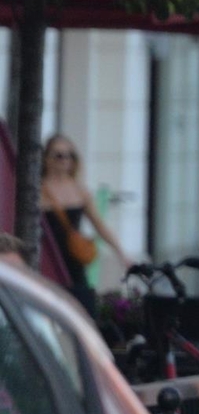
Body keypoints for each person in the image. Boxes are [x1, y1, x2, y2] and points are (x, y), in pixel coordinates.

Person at [37, 134, 129, 317]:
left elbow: (100, 226)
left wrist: (121, 253)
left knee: (83, 310)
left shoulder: (79, 190)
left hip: (73, 259)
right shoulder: (38, 189)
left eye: (69, 156)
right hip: (46, 258)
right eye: (58, 155)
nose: (64, 161)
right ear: (47, 158)